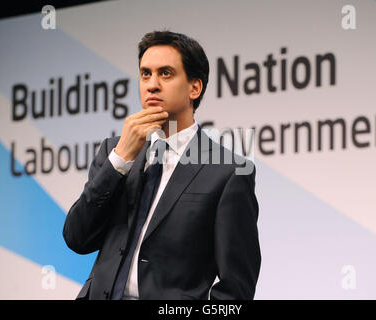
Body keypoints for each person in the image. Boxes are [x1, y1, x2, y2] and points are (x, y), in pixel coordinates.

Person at [63, 31, 261, 300]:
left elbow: (237, 287)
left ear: (195, 87)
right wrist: (120, 159)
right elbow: (77, 238)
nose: (152, 85)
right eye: (145, 74)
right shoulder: (115, 152)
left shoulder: (227, 173)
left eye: (165, 73)